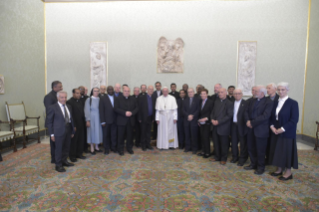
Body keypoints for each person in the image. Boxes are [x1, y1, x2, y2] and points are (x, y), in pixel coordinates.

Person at [269, 82, 299, 181]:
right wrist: (272, 127)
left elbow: (294, 119)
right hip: (276, 131)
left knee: (286, 151)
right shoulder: (275, 102)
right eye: (279, 90)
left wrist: (282, 129)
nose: (281, 92)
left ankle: (288, 172)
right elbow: (272, 117)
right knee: (277, 150)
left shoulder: (293, 103)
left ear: (287, 90)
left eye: (283, 90)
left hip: (287, 132)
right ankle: (279, 169)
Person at [244, 85, 273, 175]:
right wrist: (248, 120)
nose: (254, 93)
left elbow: (265, 116)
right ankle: (253, 164)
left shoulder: (268, 102)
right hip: (250, 128)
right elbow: (246, 111)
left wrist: (252, 123)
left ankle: (261, 167)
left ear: (262, 93)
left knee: (260, 150)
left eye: (256, 91)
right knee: (251, 147)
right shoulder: (252, 101)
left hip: (261, 129)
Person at [46, 90, 75, 172]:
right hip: (58, 132)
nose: (64, 99)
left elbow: (70, 119)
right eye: (62, 97)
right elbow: (49, 122)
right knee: (58, 148)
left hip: (68, 130)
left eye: (65, 97)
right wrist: (51, 134)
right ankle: (58, 165)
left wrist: (72, 130)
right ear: (58, 97)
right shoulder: (52, 107)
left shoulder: (68, 106)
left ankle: (64, 161)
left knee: (66, 147)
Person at [210, 88, 233, 165]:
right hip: (215, 126)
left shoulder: (229, 103)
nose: (220, 94)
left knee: (224, 144)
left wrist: (219, 122)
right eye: (219, 92)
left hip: (224, 127)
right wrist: (212, 119)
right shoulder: (216, 102)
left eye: (222, 92)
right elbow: (212, 112)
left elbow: (229, 115)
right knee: (216, 143)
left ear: (226, 93)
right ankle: (217, 156)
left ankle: (223, 158)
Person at [115, 86, 139, 155]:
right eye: (125, 91)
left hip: (130, 121)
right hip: (121, 121)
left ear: (130, 91)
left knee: (130, 136)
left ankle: (129, 148)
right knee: (121, 136)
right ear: (123, 91)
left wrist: (132, 113)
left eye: (128, 91)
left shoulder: (133, 99)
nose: (127, 92)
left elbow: (137, 108)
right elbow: (116, 108)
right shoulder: (118, 99)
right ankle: (120, 149)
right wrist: (124, 113)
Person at [44, 80, 63, 164]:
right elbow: (49, 112)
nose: (61, 88)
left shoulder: (59, 96)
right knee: (53, 142)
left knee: (59, 142)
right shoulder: (49, 97)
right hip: (53, 123)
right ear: (54, 87)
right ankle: (54, 158)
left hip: (59, 123)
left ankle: (59, 156)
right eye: (60, 87)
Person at [66, 88, 86, 162]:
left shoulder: (80, 101)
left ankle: (79, 153)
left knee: (81, 139)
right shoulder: (69, 102)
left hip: (81, 123)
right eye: (77, 93)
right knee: (74, 141)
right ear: (73, 93)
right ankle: (72, 156)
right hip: (74, 125)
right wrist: (73, 126)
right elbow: (70, 115)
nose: (79, 95)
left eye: (80, 93)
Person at [231, 89, 248, 166]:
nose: (237, 95)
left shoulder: (246, 103)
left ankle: (242, 159)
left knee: (242, 143)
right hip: (233, 125)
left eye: (239, 93)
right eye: (235, 94)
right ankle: (235, 157)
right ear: (233, 95)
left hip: (242, 126)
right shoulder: (231, 103)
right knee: (234, 142)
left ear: (242, 94)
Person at [84, 87, 103, 155]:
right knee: (92, 132)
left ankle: (97, 147)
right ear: (92, 92)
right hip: (91, 118)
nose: (96, 92)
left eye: (97, 91)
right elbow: (87, 110)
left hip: (98, 118)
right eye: (95, 91)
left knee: (98, 132)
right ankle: (92, 147)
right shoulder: (89, 99)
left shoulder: (100, 99)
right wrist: (87, 120)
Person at [100, 86, 117, 154]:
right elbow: (101, 110)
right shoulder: (103, 98)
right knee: (106, 135)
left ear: (113, 90)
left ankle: (113, 147)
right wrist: (102, 121)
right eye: (109, 89)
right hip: (106, 121)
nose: (110, 90)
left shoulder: (116, 98)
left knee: (114, 134)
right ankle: (106, 148)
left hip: (115, 120)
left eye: (111, 89)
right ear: (107, 91)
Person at [138, 85, 156, 151]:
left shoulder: (153, 98)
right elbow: (139, 108)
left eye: (152, 89)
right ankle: (143, 145)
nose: (151, 90)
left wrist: (153, 118)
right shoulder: (142, 97)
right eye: (150, 89)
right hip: (143, 118)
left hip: (150, 118)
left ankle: (148, 144)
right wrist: (139, 118)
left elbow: (154, 109)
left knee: (148, 132)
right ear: (147, 90)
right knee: (143, 132)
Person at [183, 88, 200, 153]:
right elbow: (183, 110)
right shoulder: (185, 100)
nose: (190, 93)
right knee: (187, 135)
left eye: (191, 92)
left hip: (194, 120)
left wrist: (193, 116)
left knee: (194, 135)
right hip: (186, 120)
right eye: (189, 92)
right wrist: (188, 115)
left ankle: (194, 148)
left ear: (194, 92)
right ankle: (187, 147)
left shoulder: (197, 100)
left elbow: (198, 110)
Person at [266, 83, 279, 164]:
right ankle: (268, 159)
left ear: (275, 89)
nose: (267, 90)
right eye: (267, 88)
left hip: (275, 125)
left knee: (274, 143)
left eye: (269, 88)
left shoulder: (279, 99)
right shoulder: (266, 99)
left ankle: (275, 160)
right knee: (267, 143)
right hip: (266, 125)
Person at [198, 89, 214, 157]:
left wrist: (207, 118)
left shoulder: (210, 102)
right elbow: (199, 112)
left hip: (207, 123)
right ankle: (203, 151)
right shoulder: (200, 102)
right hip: (201, 123)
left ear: (207, 94)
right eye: (201, 94)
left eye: (204, 94)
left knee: (206, 137)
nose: (203, 95)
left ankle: (207, 152)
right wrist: (198, 120)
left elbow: (212, 113)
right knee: (202, 137)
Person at [79, 86, 89, 153]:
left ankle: (85, 147)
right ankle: (80, 148)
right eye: (82, 90)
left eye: (85, 90)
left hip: (86, 119)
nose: (83, 91)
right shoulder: (77, 98)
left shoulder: (88, 98)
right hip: (79, 119)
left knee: (86, 134)